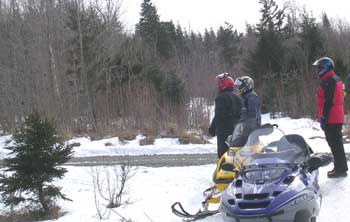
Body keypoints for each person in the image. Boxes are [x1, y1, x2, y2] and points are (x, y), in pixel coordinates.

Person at [313, 57, 348, 178]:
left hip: (332, 117)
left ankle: (340, 169)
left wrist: (324, 117)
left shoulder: (328, 81)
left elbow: (328, 101)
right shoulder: (335, 78)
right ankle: (341, 167)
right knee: (337, 143)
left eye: (319, 68)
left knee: (334, 144)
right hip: (336, 115)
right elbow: (342, 95)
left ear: (326, 68)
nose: (317, 70)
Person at [209, 73, 242, 158]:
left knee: (223, 156)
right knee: (235, 155)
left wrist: (212, 128)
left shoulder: (221, 98)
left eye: (218, 84)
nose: (217, 86)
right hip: (236, 131)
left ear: (222, 85)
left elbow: (219, 116)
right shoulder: (237, 97)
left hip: (224, 132)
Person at [229, 76, 261, 147]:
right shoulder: (244, 96)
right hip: (244, 128)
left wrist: (246, 126)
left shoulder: (251, 96)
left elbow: (252, 115)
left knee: (248, 147)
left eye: (240, 86)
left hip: (251, 129)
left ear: (246, 86)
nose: (238, 88)